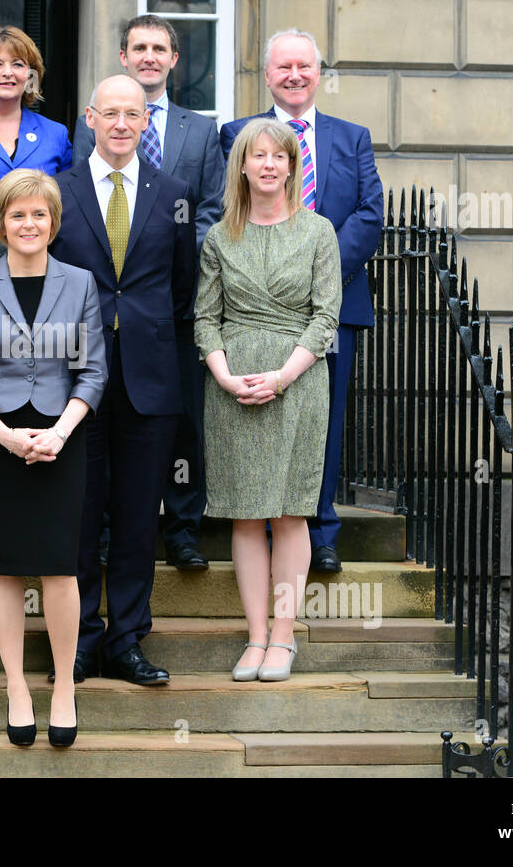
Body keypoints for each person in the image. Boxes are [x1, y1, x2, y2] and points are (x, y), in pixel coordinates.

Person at [0, 168, 107, 746]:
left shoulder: (81, 283)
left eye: (39, 213)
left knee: (60, 566)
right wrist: (6, 436)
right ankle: (16, 686)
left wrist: (60, 434)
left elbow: (92, 371)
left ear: (54, 221)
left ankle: (64, 686)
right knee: (6, 566)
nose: (29, 223)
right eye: (18, 214)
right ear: (1, 222)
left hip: (62, 436)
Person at [50, 75, 196, 686]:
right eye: (109, 113)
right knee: (79, 515)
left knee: (138, 517)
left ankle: (127, 639)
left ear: (144, 122)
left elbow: (182, 290)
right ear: (90, 117)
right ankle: (81, 639)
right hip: (73, 381)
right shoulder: (58, 191)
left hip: (150, 379)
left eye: (131, 114)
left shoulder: (174, 194)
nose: (120, 124)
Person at [219, 28, 382, 574]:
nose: (294, 76)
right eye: (283, 67)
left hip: (329, 306)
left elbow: (369, 212)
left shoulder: (352, 136)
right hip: (250, 308)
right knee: (255, 418)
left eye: (304, 67)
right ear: (267, 75)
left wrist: (316, 270)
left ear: (318, 74)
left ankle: (320, 528)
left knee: (323, 421)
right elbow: (220, 212)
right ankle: (259, 521)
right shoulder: (237, 134)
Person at [72, 14, 225, 571]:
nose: (150, 56)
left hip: (164, 309)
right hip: (96, 322)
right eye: (139, 47)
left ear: (173, 59)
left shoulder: (202, 131)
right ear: (123, 55)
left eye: (160, 48)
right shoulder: (88, 136)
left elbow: (208, 208)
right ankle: (108, 530)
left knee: (179, 423)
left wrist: (162, 245)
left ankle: (182, 527)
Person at [196, 118, 341, 682]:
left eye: (277, 155)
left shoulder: (317, 231)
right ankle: (254, 638)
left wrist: (281, 377)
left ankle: (284, 637)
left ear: (291, 165)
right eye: (256, 155)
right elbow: (205, 318)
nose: (267, 165)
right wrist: (227, 377)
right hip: (232, 384)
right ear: (243, 166)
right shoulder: (218, 236)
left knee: (287, 510)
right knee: (245, 512)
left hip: (297, 382)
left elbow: (325, 316)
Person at [0, 25, 73, 197]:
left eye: (17, 64)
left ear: (30, 75)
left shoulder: (56, 134)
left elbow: (66, 203)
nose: (8, 73)